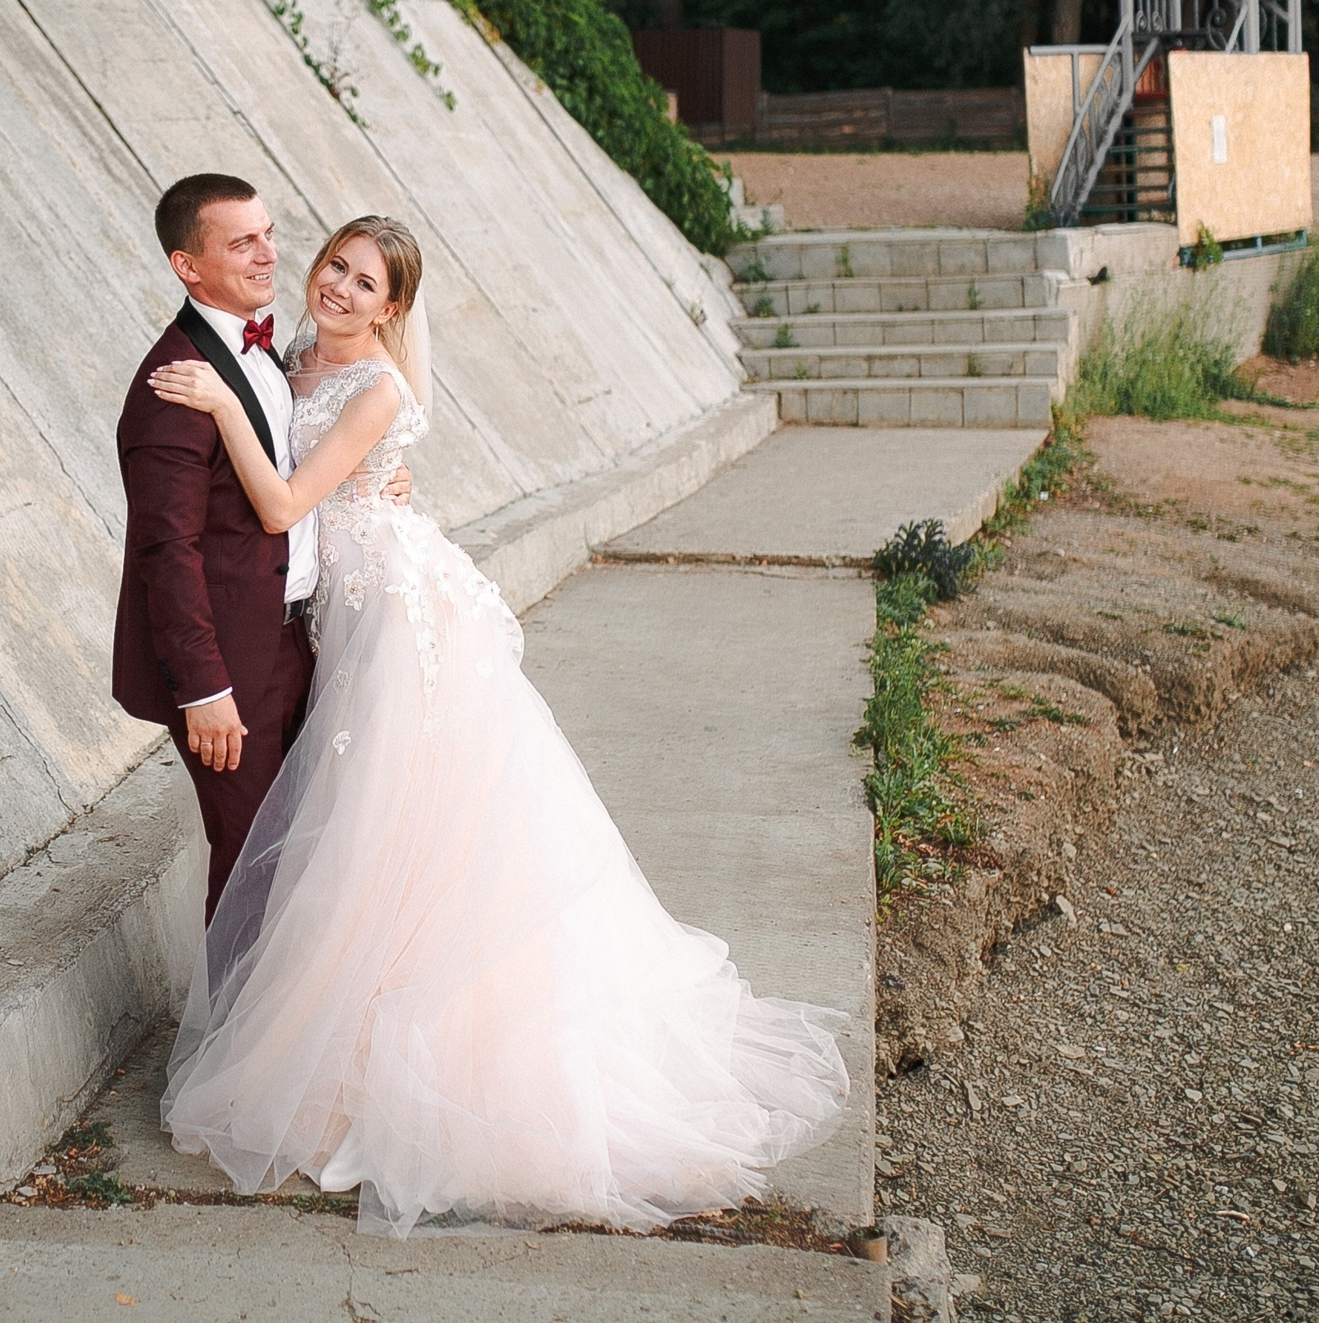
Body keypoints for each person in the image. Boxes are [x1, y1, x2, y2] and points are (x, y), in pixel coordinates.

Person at [148, 214, 850, 1237]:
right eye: (334, 265)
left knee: (395, 827)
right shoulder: (299, 354)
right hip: (349, 605)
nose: (337, 287)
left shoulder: (374, 381)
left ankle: (410, 1063)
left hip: (397, 617)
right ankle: (350, 1043)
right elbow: (343, 459)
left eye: (364, 282)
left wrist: (217, 405)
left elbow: (284, 501)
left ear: (394, 308)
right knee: (376, 829)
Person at [112, 175, 409, 924]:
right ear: (189, 266)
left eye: (270, 233)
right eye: (242, 242)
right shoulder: (174, 386)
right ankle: (233, 1043)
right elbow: (165, 552)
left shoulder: (280, 354)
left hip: (300, 640)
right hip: (229, 665)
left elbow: (311, 455)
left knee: (300, 854)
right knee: (250, 864)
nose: (269, 254)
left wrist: (384, 472)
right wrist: (204, 692)